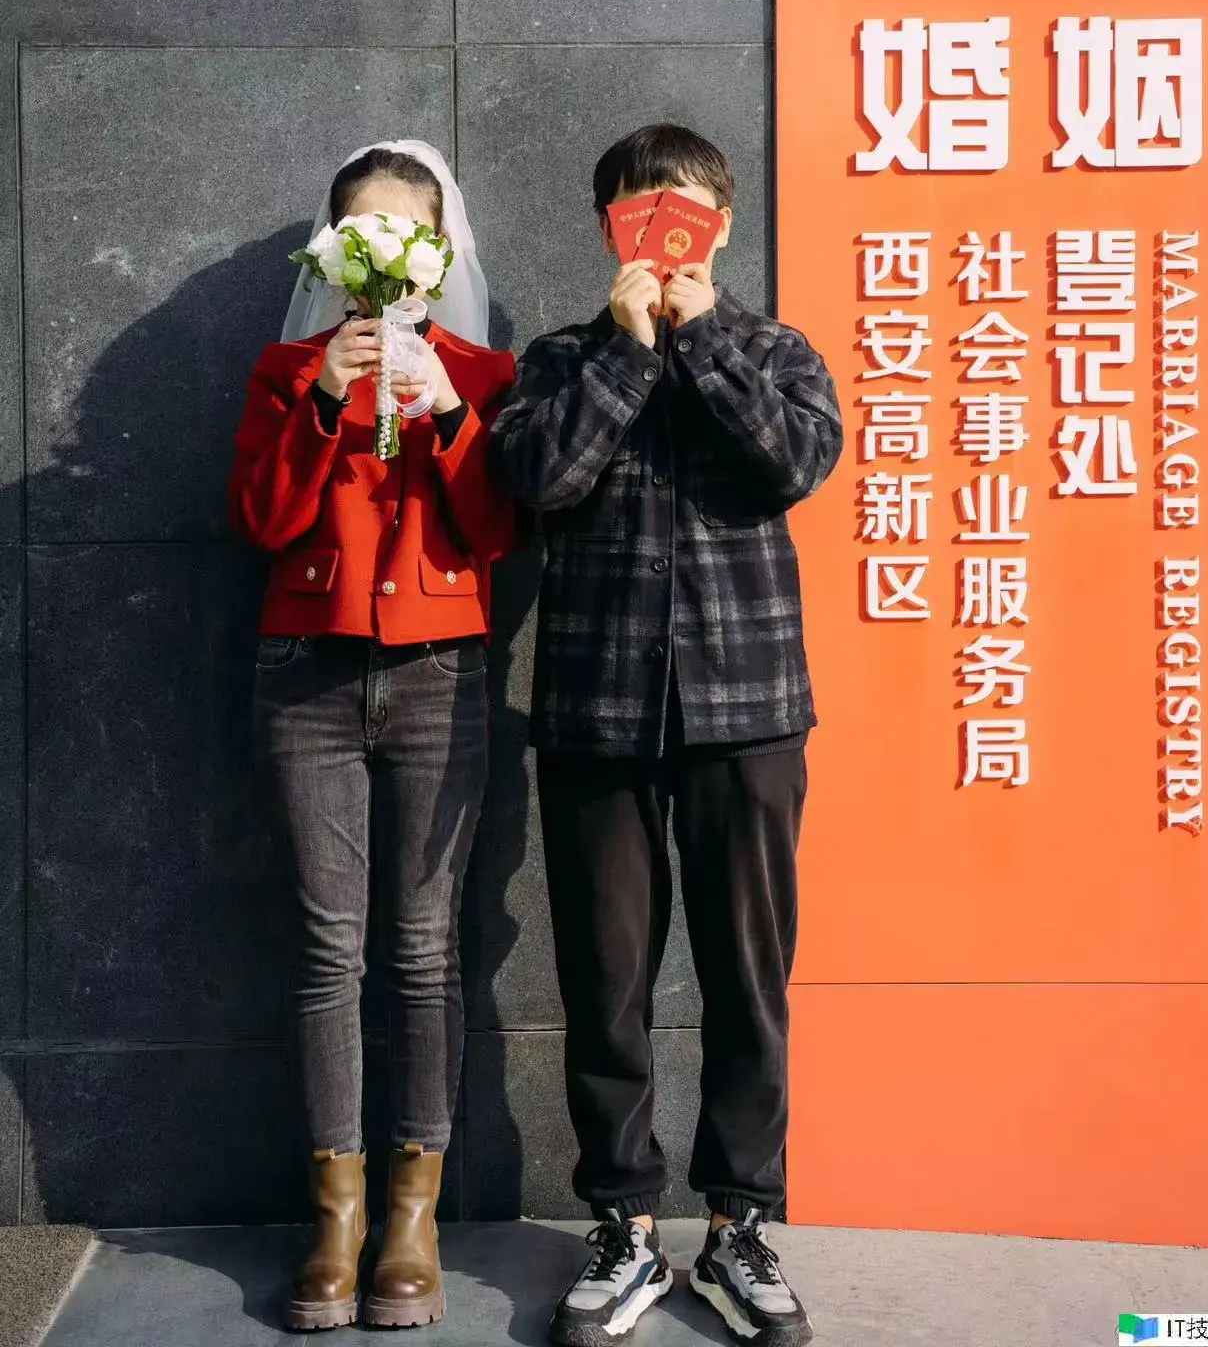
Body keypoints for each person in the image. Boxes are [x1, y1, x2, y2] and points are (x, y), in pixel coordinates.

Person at [491, 123, 842, 1347]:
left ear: (720, 226)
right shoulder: (559, 360)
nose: (662, 230)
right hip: (595, 715)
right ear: (609, 228)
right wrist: (628, 353)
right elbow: (534, 481)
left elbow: (794, 462)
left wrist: (702, 345)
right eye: (638, 210)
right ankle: (624, 1225)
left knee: (748, 974)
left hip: (748, 711)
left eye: (682, 210)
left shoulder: (773, 350)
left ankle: (739, 1223)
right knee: (605, 981)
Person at [229, 140, 518, 1332]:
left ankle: (411, 1217)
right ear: (332, 250)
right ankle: (336, 1215)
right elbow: (262, 519)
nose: (386, 256)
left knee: (422, 949)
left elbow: (494, 531)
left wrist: (447, 411)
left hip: (439, 673)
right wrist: (320, 399)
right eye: (362, 234)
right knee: (324, 949)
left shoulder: (480, 372)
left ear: (440, 250)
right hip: (306, 670)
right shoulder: (288, 369)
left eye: (406, 234)